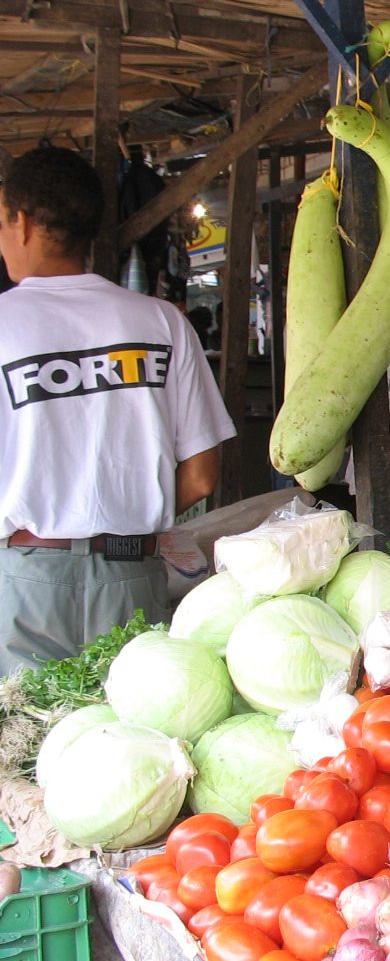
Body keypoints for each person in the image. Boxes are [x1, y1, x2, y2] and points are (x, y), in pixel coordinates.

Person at [0, 146, 235, 671]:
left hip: (27, 581)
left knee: (23, 741)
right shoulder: (162, 323)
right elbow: (200, 478)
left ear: (21, 222)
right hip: (132, 576)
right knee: (125, 738)